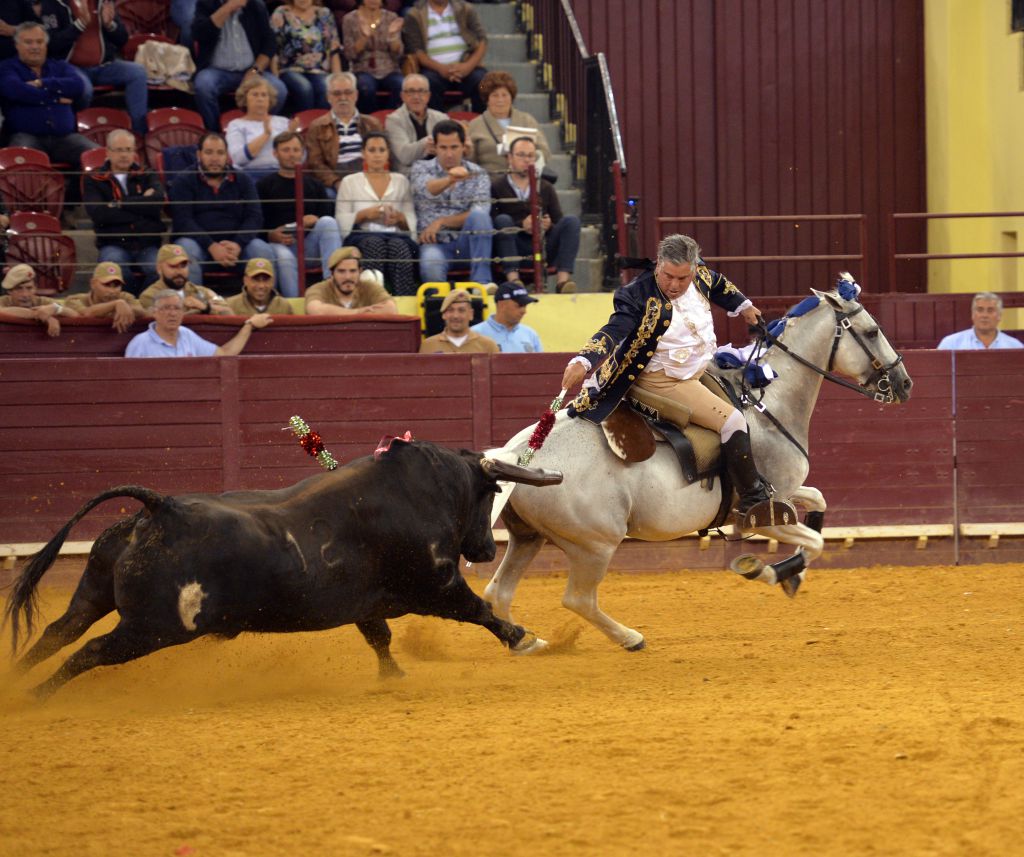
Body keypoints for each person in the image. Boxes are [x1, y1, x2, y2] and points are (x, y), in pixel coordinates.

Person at [559, 233, 797, 530]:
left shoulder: (701, 278)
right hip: (661, 380)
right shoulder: (636, 295)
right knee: (733, 421)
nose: (674, 285)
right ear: (658, 265)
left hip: (697, 371)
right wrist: (584, 359)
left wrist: (743, 306)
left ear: (694, 269)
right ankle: (752, 499)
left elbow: (720, 285)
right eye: (668, 276)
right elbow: (613, 330)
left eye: (682, 278)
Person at [168, 132, 275, 286]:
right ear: (199, 154)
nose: (215, 158)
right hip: (200, 246)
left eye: (220, 153)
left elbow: (255, 216)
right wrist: (211, 246)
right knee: (186, 249)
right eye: (209, 152)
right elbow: (183, 221)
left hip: (236, 248)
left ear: (227, 156)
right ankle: (194, 306)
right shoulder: (184, 180)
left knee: (261, 249)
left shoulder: (242, 179)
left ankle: (266, 308)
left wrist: (238, 244)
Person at [36, 0, 148, 135]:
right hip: (70, 68)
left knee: (138, 72)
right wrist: (79, 26)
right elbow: (51, 44)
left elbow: (122, 39)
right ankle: (76, 132)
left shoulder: (102, 2)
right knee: (84, 89)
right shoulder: (53, 4)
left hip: (104, 66)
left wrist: (110, 25)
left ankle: (139, 132)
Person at [0, 23, 97, 175]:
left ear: (46, 45)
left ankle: (82, 196)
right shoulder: (7, 68)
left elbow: (78, 86)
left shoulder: (60, 67)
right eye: (28, 42)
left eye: (39, 42)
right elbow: (16, 91)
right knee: (18, 163)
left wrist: (43, 83)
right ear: (17, 45)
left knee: (97, 157)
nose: (35, 47)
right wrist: (56, 99)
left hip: (64, 138)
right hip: (26, 136)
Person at [256, 131, 343, 298]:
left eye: (296, 150)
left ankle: (334, 289)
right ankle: (295, 305)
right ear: (275, 153)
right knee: (284, 256)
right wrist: (270, 234)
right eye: (286, 150)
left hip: (310, 245)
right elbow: (256, 222)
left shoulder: (315, 186)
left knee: (328, 222)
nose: (292, 154)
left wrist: (313, 220)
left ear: (302, 153)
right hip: (279, 246)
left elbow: (327, 216)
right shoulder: (264, 186)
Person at [491, 136, 580, 294]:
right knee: (502, 220)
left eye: (531, 156)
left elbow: (558, 221)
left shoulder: (545, 186)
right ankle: (514, 279)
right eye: (521, 155)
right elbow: (492, 222)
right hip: (512, 246)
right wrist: (520, 226)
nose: (526, 160)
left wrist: (547, 225)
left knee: (571, 221)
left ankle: (563, 281)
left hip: (543, 245)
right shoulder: (497, 186)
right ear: (509, 158)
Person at [82, 129, 166, 294]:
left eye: (128, 150)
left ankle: (143, 304)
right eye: (119, 150)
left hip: (147, 244)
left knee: (162, 271)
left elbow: (156, 204)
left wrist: (118, 204)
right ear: (108, 152)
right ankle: (129, 306)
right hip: (113, 244)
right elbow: (99, 214)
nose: (124, 155)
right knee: (115, 272)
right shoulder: (94, 178)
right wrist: (142, 204)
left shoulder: (147, 174)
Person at [410, 118, 492, 286]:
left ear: (463, 147)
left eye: (454, 147)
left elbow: (481, 211)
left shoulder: (478, 173)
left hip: (467, 243)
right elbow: (429, 189)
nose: (449, 154)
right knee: (431, 267)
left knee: (480, 217)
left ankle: (482, 284)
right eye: (443, 147)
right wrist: (450, 179)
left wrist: (442, 222)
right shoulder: (420, 168)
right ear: (435, 148)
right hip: (435, 244)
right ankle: (441, 307)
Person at [336, 131, 418, 295]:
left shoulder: (401, 181)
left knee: (399, 248)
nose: (377, 155)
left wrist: (399, 218)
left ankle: (404, 300)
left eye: (382, 150)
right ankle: (372, 298)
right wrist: (364, 215)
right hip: (362, 235)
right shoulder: (350, 181)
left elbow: (410, 219)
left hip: (396, 235)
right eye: (372, 150)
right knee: (374, 244)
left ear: (388, 153)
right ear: (363, 153)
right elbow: (341, 218)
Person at [193, 0, 288, 131]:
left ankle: (258, 129)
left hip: (251, 70)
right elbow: (200, 34)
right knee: (203, 85)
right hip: (217, 71)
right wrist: (228, 8)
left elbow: (269, 42)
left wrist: (255, 70)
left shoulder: (255, 6)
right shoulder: (207, 4)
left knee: (279, 89)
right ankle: (214, 133)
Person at [125, 289, 273, 358]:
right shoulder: (140, 343)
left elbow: (225, 354)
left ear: (183, 313)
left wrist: (249, 326)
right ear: (154, 313)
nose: (172, 313)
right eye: (165, 308)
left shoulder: (187, 335)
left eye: (177, 308)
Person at [402, 0, 487, 113]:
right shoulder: (415, 14)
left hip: (466, 66)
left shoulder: (466, 9)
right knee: (427, 84)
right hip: (433, 69)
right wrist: (441, 69)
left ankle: (481, 123)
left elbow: (482, 41)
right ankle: (436, 125)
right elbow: (417, 51)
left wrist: (467, 67)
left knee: (484, 83)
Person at [305, 71, 383, 191]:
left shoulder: (373, 123)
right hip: (335, 179)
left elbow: (385, 156)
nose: (343, 98)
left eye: (348, 92)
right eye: (337, 93)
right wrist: (336, 182)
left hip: (368, 176)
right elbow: (315, 163)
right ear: (328, 97)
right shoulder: (317, 126)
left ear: (356, 95)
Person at [466, 70, 551, 178]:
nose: (500, 100)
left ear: (511, 97)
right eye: (495, 95)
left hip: (524, 183)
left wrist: (525, 156)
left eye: (504, 95)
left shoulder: (527, 120)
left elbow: (545, 152)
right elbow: (470, 162)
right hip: (490, 185)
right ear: (487, 99)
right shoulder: (476, 124)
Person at [270, 0, 342, 112]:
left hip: (319, 70)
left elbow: (334, 48)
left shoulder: (324, 14)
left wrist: (338, 78)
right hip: (290, 69)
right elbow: (273, 47)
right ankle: (303, 125)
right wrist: (275, 77)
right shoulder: (281, 12)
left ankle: (321, 125)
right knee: (304, 88)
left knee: (326, 87)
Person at [225, 76, 298, 180]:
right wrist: (265, 135)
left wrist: (291, 135)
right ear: (245, 99)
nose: (260, 99)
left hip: (283, 174)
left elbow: (301, 157)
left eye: (264, 95)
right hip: (250, 176)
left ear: (270, 100)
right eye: (255, 95)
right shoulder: (236, 124)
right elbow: (238, 159)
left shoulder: (284, 122)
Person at [342, 0, 404, 115]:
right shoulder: (349, 19)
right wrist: (364, 38)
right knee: (366, 87)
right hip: (362, 69)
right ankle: (370, 120)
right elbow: (349, 54)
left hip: (390, 69)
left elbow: (398, 54)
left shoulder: (391, 17)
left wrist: (392, 37)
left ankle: (388, 118)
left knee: (401, 85)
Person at [139, 244, 232, 315]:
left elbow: (229, 313)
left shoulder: (200, 291)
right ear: (159, 269)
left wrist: (206, 307)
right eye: (173, 266)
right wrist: (199, 309)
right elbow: (172, 321)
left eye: (183, 266)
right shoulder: (149, 296)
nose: (179, 271)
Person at [305, 246, 397, 315]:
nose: (347, 277)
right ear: (332, 274)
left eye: (353, 271)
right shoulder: (319, 288)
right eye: (341, 271)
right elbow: (315, 309)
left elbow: (391, 308)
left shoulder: (370, 287)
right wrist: (357, 312)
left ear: (360, 272)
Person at [385, 73, 447, 175]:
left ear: (428, 95)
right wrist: (432, 141)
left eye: (421, 91)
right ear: (402, 96)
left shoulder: (441, 118)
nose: (416, 96)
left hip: (438, 173)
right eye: (411, 91)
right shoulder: (393, 120)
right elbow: (405, 156)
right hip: (408, 175)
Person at [62, 262, 145, 332]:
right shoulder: (75, 299)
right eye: (106, 285)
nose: (112, 291)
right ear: (93, 283)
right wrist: (116, 304)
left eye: (116, 285)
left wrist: (128, 308)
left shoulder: (125, 297)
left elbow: (142, 311)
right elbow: (87, 313)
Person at [0, 262, 78, 336]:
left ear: (36, 288)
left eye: (29, 288)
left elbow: (75, 315)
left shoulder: (43, 301)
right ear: (9, 291)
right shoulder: (3, 301)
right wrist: (38, 314)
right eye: (18, 289)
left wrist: (57, 309)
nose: (25, 294)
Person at [470, 280, 541, 353]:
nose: (524, 311)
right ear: (502, 305)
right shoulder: (474, 334)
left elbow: (540, 363)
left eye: (525, 306)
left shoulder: (531, 334)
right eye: (519, 305)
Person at [419, 288, 496, 353]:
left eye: (461, 310)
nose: (455, 316)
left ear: (471, 314)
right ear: (443, 314)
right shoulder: (428, 346)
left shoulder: (487, 346)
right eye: (450, 310)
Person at [937, 292, 1023, 351]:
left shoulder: (1015, 347)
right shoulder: (951, 344)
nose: (984, 315)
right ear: (973, 314)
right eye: (980, 310)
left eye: (990, 310)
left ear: (999, 316)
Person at [224, 257, 295, 316]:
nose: (261, 286)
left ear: (273, 281)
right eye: (255, 280)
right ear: (245, 280)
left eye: (266, 280)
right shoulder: (231, 305)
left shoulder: (284, 305)